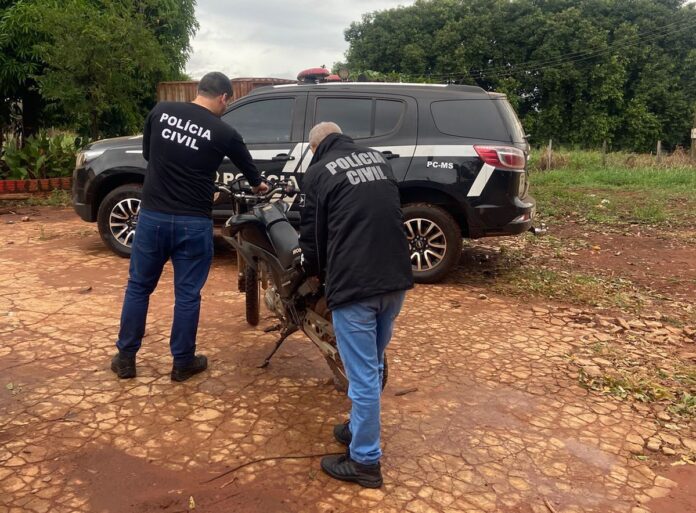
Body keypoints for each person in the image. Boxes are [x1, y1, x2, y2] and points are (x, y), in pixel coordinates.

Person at [110, 71, 268, 382]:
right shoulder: (225, 132)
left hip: (153, 217)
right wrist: (260, 186)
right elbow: (254, 178)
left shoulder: (161, 112)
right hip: (192, 223)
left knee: (139, 287)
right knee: (187, 295)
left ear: (199, 90)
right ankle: (182, 362)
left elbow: (148, 154)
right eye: (228, 102)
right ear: (223, 97)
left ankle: (126, 359)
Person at [299, 122, 414, 488]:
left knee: (362, 375)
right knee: (374, 362)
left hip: (355, 286)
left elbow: (313, 238)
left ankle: (365, 462)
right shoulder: (379, 160)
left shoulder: (318, 172)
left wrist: (314, 276)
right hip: (395, 279)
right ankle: (356, 426)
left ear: (316, 148)